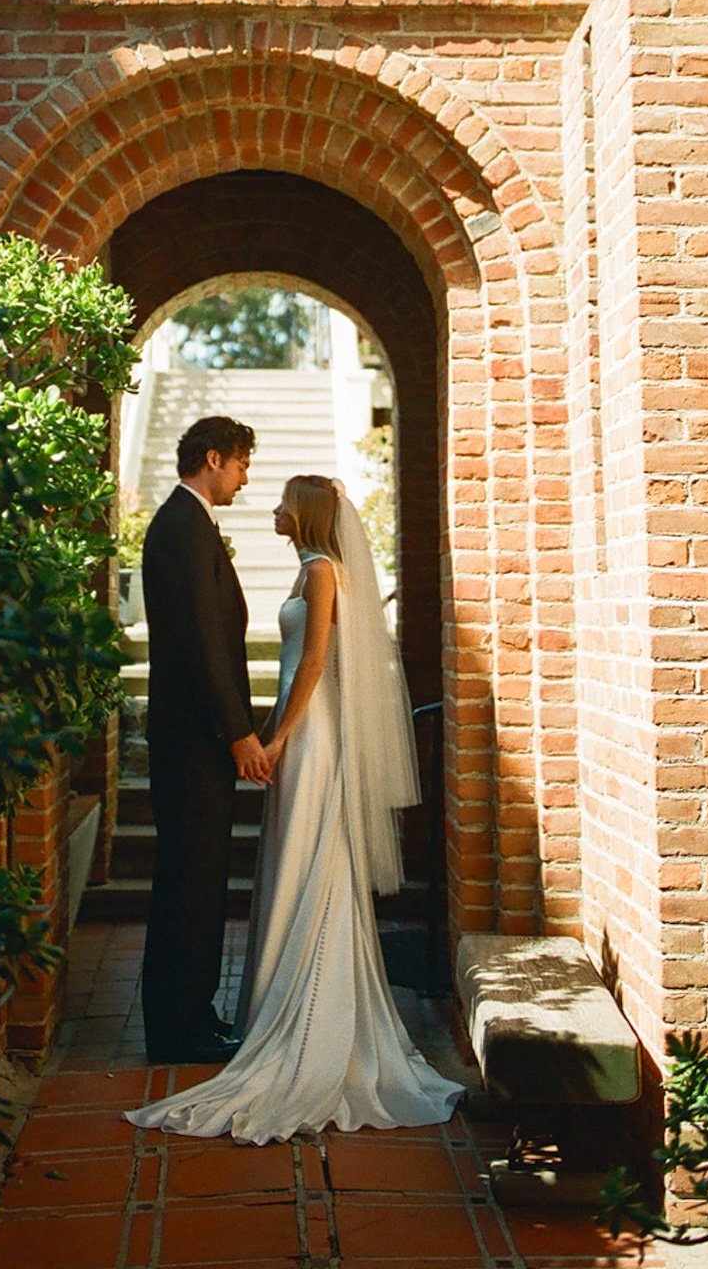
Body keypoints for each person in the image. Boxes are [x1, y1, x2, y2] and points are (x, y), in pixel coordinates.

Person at [128, 474, 463, 1142]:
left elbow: (311, 664)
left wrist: (277, 736)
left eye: (284, 502)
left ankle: (305, 1008)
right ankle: (277, 1001)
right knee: (294, 856)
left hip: (310, 738)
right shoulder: (313, 568)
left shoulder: (320, 572)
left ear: (303, 515)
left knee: (309, 857)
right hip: (297, 729)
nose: (273, 507)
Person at [139, 415, 270, 1064]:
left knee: (198, 881)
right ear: (213, 459)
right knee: (188, 885)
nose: (245, 479)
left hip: (195, 742)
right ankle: (175, 1030)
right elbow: (201, 646)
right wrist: (238, 733)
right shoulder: (182, 528)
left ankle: (194, 1013)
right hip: (193, 743)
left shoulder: (188, 524)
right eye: (242, 465)